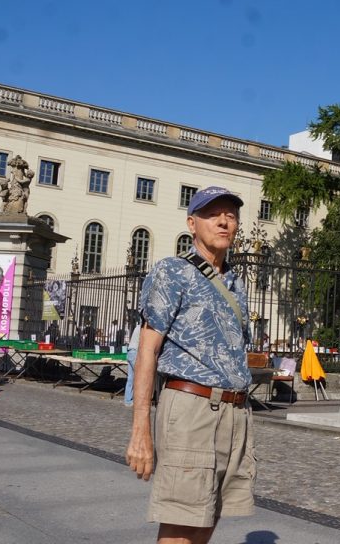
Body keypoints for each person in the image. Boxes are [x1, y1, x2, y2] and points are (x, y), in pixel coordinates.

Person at [125, 186, 254, 543]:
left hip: (234, 411)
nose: (224, 221)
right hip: (192, 407)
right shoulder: (172, 272)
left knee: (209, 515)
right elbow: (147, 350)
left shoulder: (235, 282)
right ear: (192, 224)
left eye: (231, 215)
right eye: (213, 214)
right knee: (182, 521)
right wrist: (141, 430)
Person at [124, 320, 142, 407]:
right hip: (135, 352)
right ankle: (137, 400)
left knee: (130, 378)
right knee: (139, 376)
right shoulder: (142, 329)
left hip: (130, 351)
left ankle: (127, 400)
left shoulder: (137, 327)